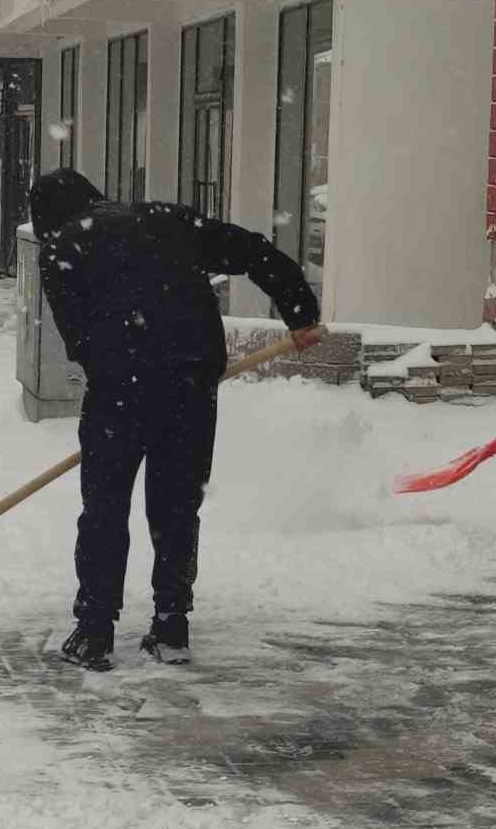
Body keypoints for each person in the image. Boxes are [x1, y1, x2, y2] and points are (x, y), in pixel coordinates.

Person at [30, 169, 322, 670]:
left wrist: (120, 368)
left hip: (120, 392)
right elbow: (252, 251)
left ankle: (95, 630)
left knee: (104, 509)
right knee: (175, 508)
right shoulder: (164, 220)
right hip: (189, 384)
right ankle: (171, 627)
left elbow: (75, 337)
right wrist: (301, 312)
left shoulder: (61, 247)